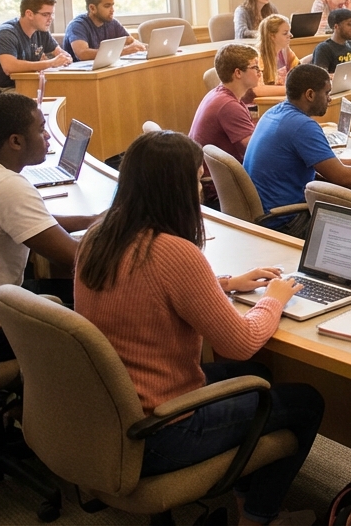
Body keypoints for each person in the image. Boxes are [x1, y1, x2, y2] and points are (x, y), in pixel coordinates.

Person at [74, 131, 323, 526]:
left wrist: (223, 284)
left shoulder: (99, 236)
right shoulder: (174, 252)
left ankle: (244, 496)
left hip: (112, 415)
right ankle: (258, 518)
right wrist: (273, 298)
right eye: (195, 178)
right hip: (162, 432)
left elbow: (146, 289)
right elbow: (242, 342)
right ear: (174, 188)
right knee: (306, 401)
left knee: (256, 377)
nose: (201, 186)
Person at [0, 93, 97, 368]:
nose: (48, 137)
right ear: (15, 141)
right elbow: (76, 258)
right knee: (100, 320)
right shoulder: (7, 187)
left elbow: (38, 221)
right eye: (41, 130)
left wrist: (90, 220)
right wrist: (121, 236)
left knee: (67, 291)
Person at [243, 65, 351, 237]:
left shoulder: (274, 112)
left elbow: (330, 165)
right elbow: (343, 177)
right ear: (310, 94)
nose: (330, 99)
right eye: (327, 93)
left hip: (264, 212)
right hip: (285, 221)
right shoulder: (302, 126)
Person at [190, 45, 260, 207]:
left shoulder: (221, 94)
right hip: (217, 190)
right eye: (255, 67)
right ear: (238, 73)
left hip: (215, 182)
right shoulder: (228, 105)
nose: (259, 72)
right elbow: (255, 153)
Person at [0, 0, 73, 88]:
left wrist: (65, 58)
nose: (51, 19)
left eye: (52, 14)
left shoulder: (41, 31)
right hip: (0, 91)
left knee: (67, 89)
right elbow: (9, 67)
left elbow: (61, 54)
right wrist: (50, 63)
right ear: (29, 14)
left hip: (27, 85)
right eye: (46, 14)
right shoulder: (6, 33)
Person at [63, 0, 144, 61]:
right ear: (92, 8)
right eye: (107, 6)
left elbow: (132, 41)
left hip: (105, 71)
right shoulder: (77, 26)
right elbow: (83, 54)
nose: (112, 10)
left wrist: (138, 46)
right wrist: (122, 52)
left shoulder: (112, 23)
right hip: (81, 74)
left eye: (112, 5)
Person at [311, 9, 351, 74]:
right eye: (350, 24)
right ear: (336, 27)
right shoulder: (324, 48)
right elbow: (321, 76)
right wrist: (350, 73)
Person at [254, 14, 298, 99]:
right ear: (272, 36)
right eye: (285, 33)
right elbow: (258, 89)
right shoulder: (257, 56)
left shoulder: (285, 51)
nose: (291, 35)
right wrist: (293, 90)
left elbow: (299, 70)